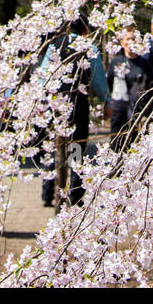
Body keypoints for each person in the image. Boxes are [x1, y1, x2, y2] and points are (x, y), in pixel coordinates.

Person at [38, 15, 110, 206]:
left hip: (55, 101)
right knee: (76, 144)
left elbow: (44, 74)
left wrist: (40, 100)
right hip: (78, 100)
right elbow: (98, 79)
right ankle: (75, 191)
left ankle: (48, 191)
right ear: (86, 30)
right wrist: (106, 100)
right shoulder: (88, 47)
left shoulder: (55, 45)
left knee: (53, 145)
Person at [106, 24, 153, 150]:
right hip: (119, 110)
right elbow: (109, 83)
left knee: (135, 149)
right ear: (122, 42)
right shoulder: (116, 62)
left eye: (133, 39)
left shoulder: (144, 63)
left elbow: (151, 86)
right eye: (127, 39)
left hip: (138, 112)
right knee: (116, 147)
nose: (130, 42)